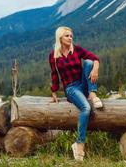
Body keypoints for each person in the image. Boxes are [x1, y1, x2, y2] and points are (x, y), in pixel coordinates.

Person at [48, 26, 103, 161]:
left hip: (83, 84)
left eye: (71, 36)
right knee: (86, 108)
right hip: (71, 89)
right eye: (67, 36)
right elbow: (54, 75)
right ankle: (79, 144)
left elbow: (95, 58)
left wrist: (95, 69)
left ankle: (92, 94)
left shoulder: (77, 50)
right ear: (60, 37)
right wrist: (54, 91)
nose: (70, 38)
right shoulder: (53, 56)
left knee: (89, 63)